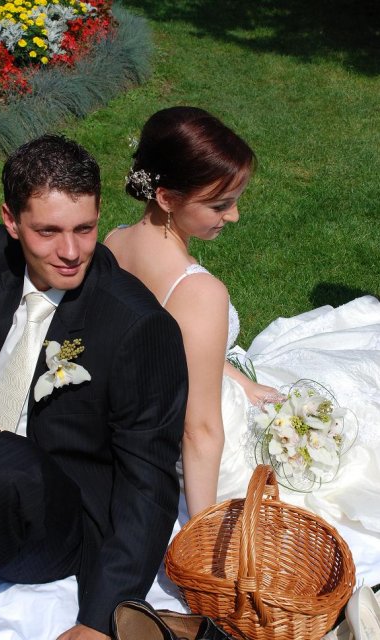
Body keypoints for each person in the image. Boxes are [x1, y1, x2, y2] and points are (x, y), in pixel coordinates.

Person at [104, 106, 380, 611]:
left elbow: (169, 347)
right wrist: (202, 534)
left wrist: (240, 380)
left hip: (154, 412)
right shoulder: (198, 292)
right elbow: (201, 431)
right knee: (354, 440)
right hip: (208, 443)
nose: (233, 216)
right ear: (166, 197)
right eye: (220, 204)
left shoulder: (115, 241)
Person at [0, 134, 188, 640]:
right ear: (11, 221)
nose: (70, 252)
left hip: (51, 510)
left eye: (85, 229)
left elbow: (149, 483)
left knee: (6, 463)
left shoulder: (138, 328)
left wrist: (101, 619)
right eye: (48, 231)